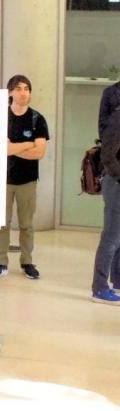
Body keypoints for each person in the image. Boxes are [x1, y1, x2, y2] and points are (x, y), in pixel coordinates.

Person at [0, 75, 49, 280]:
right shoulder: (1, 117)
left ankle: (27, 261)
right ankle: (0, 262)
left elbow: (39, 152)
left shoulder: (37, 119)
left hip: (27, 180)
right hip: (4, 180)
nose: (23, 92)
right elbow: (0, 149)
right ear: (10, 93)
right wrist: (28, 144)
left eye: (27, 88)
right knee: (3, 223)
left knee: (26, 224)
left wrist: (12, 148)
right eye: (18, 89)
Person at [91, 110, 120, 305]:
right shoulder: (118, 118)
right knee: (110, 238)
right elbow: (107, 155)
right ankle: (99, 288)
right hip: (117, 183)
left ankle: (117, 281)